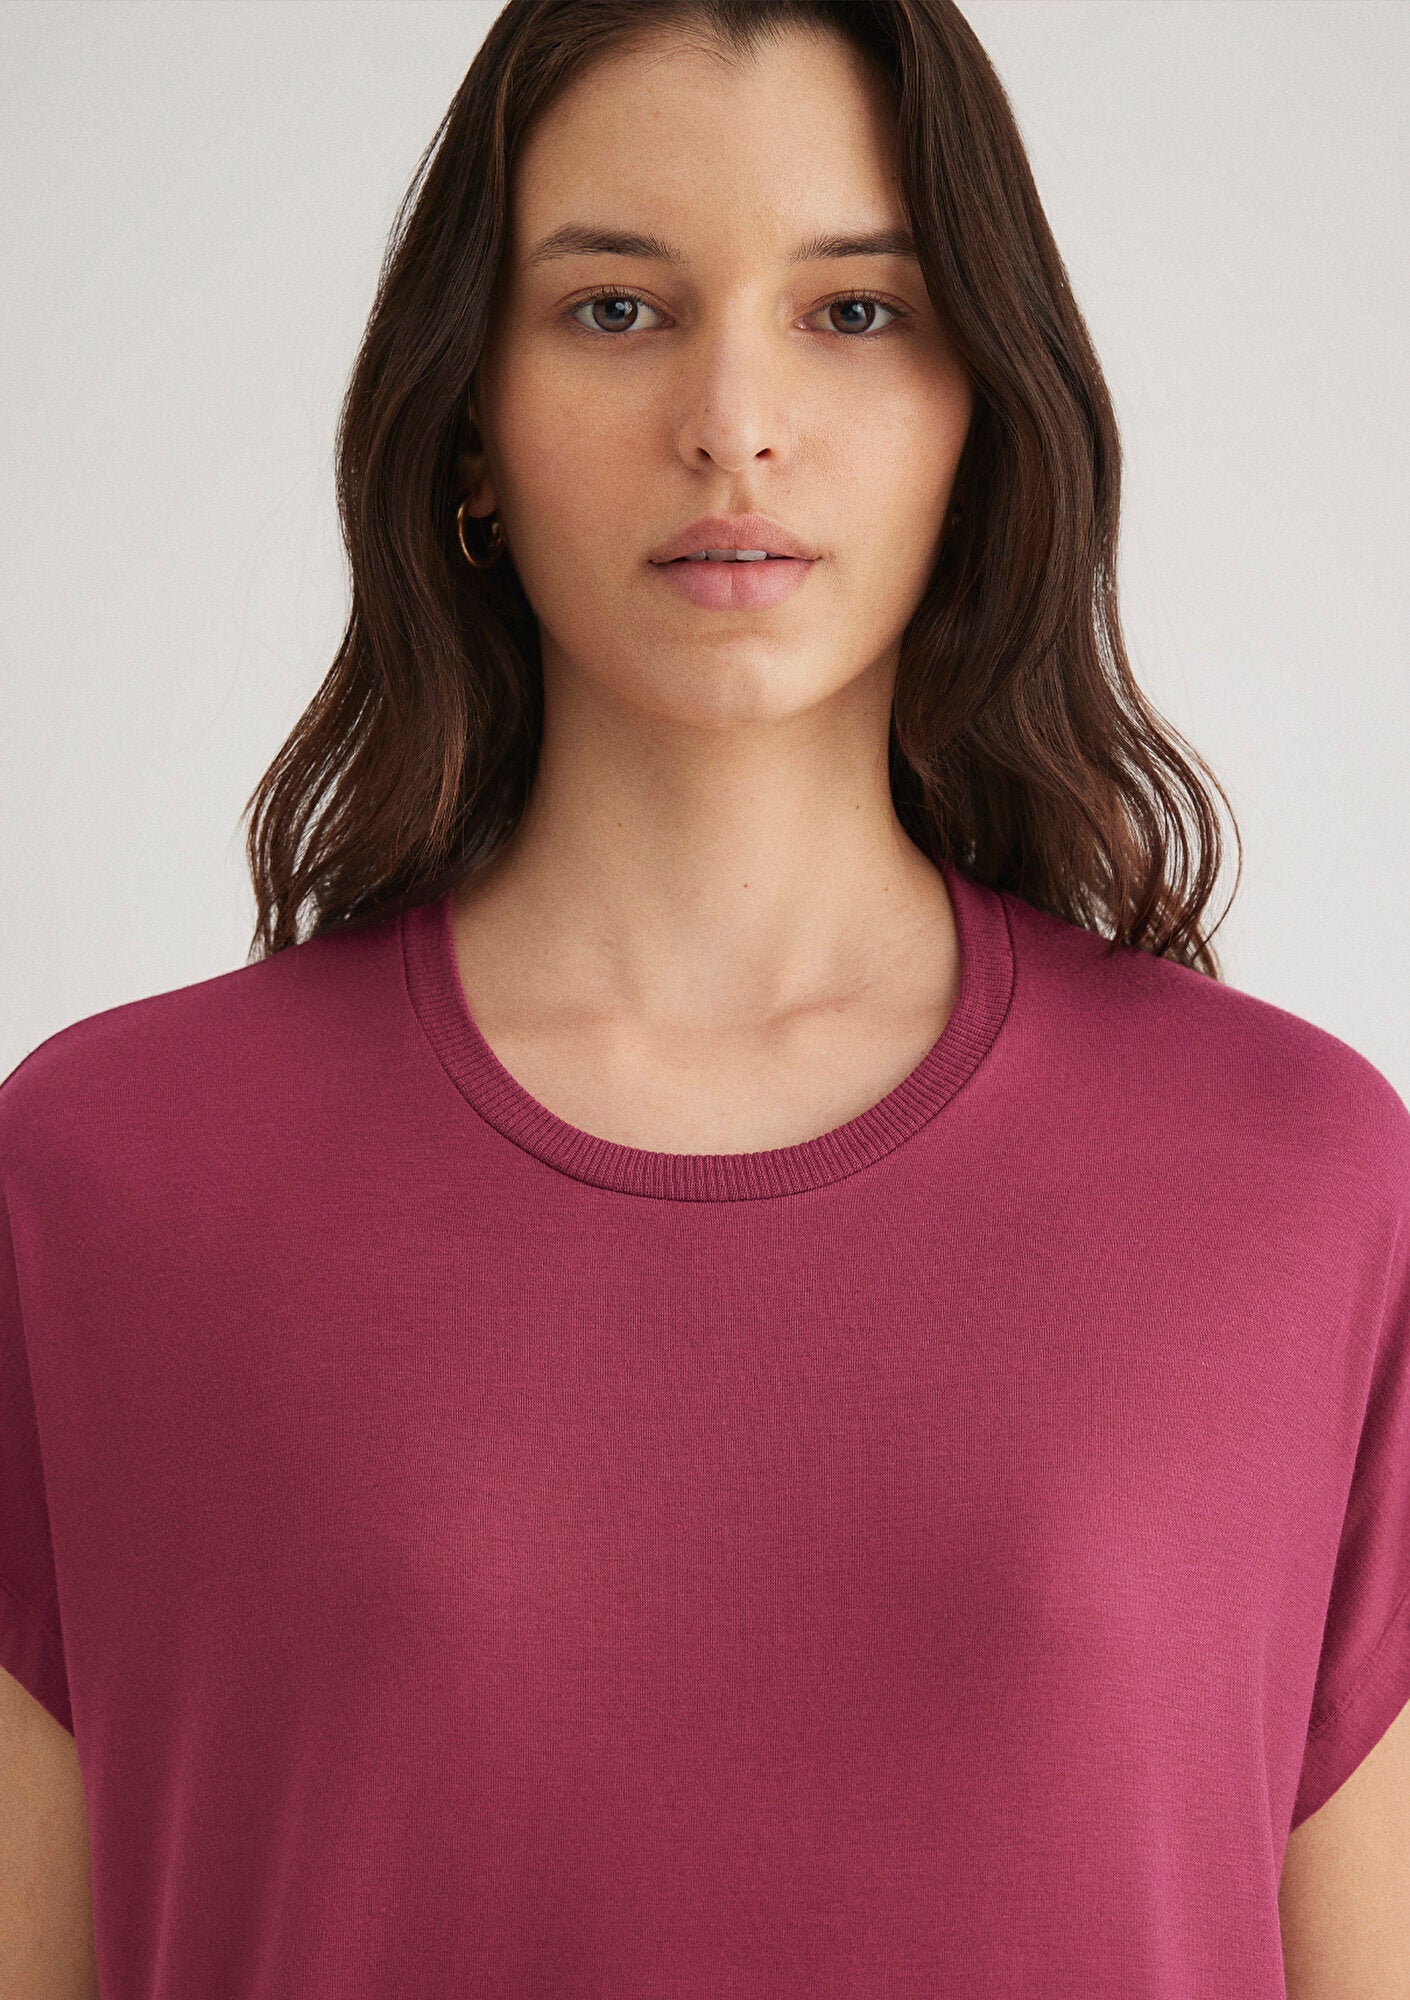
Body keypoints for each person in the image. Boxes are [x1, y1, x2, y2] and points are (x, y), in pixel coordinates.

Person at [2, 2, 1407, 1995]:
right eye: (615, 309)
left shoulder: (1296, 1180)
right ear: (468, 424)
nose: (734, 419)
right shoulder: (110, 1175)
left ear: (981, 411)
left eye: (853, 312)